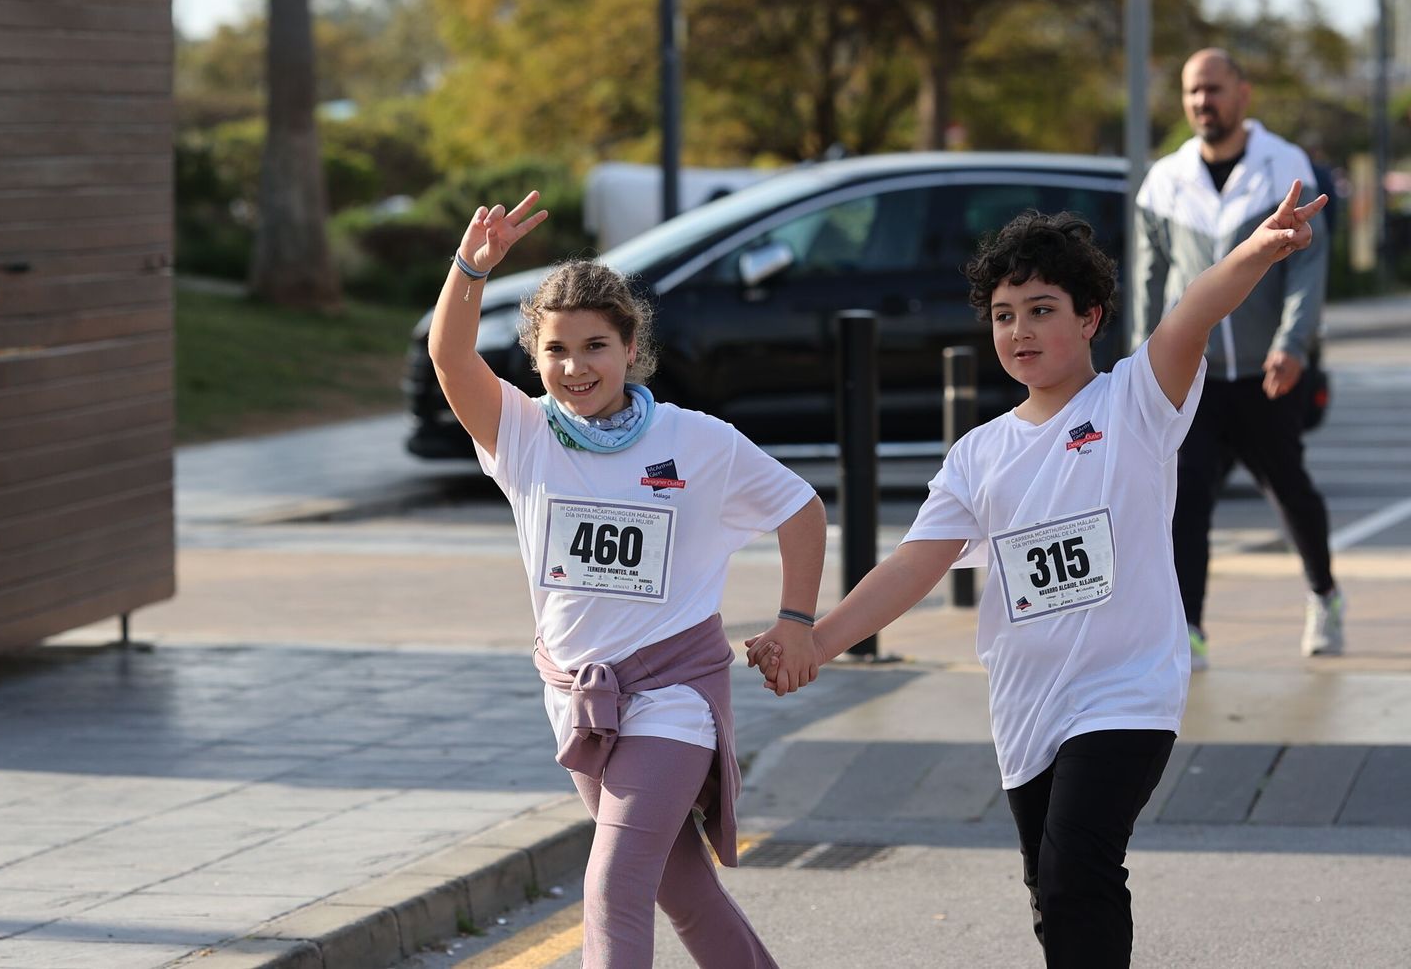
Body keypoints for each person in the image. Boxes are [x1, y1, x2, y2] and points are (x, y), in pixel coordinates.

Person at [748, 183, 1327, 968]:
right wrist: (818, 640)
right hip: (1027, 706)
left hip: (1128, 692)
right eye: (1004, 314)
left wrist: (1260, 251)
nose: (1020, 329)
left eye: (1043, 309)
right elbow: (915, 565)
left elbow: (1192, 311)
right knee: (1051, 893)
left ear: (1089, 318)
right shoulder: (979, 453)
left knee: (1077, 873)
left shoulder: (1135, 403)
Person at [428, 191, 827, 969]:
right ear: (536, 358)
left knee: (612, 886)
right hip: (578, 697)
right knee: (685, 893)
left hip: (674, 695)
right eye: (556, 351)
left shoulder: (696, 438)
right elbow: (450, 357)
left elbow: (801, 510)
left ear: (631, 346)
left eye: (595, 346)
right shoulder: (523, 434)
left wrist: (796, 621)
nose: (576, 368)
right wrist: (470, 268)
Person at [1133, 48, 1342, 669]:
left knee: (1289, 490)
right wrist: (1144, 371)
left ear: (1243, 95)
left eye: (1215, 89)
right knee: (1186, 499)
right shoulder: (1164, 180)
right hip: (1192, 379)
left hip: (1264, 374)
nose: (1204, 102)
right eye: (1194, 91)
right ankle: (1189, 629)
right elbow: (1149, 281)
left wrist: (1291, 343)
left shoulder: (1286, 166)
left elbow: (1307, 265)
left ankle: (1324, 596)